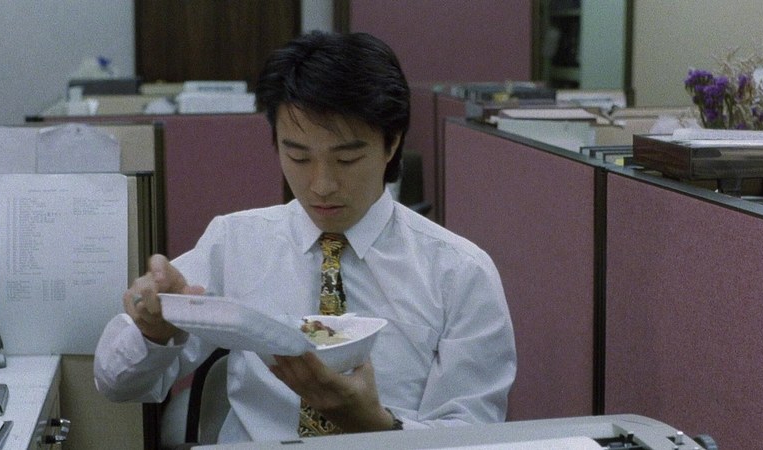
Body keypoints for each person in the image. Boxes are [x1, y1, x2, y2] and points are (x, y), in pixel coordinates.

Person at [94, 30, 516, 443]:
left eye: (347, 159)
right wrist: (152, 331)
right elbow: (115, 383)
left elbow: (475, 434)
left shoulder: (459, 272)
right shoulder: (235, 242)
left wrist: (376, 426)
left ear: (391, 145)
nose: (322, 185)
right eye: (298, 157)